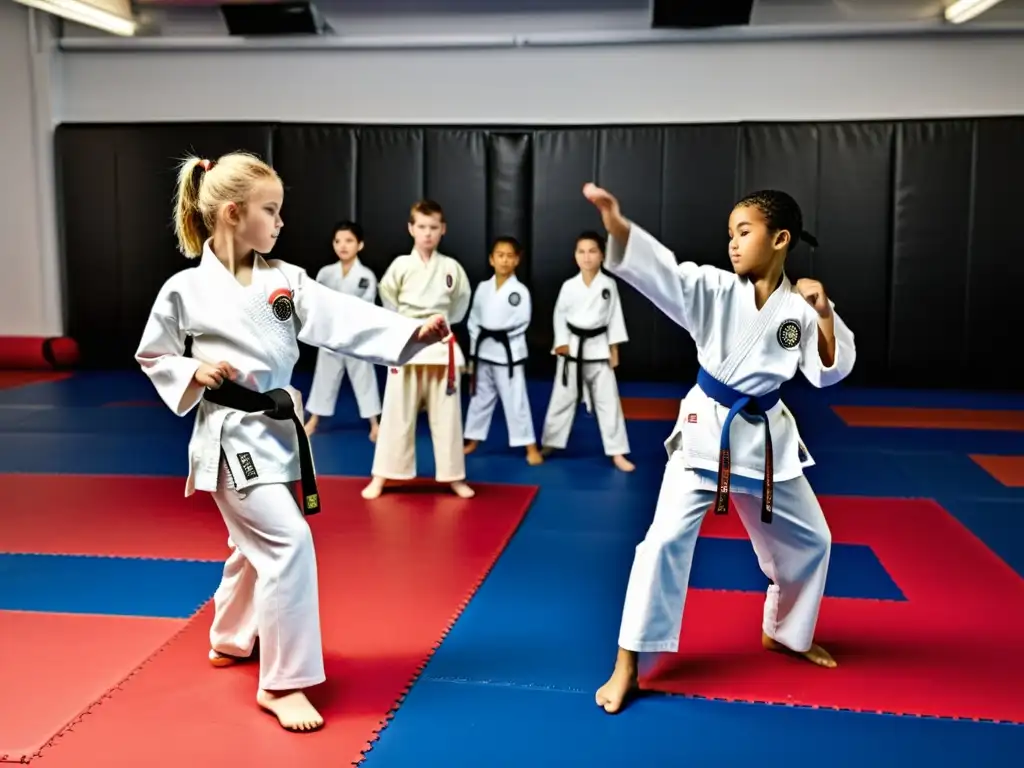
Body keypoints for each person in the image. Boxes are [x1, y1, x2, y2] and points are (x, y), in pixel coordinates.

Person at [134, 152, 451, 733]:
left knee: (250, 547)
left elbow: (343, 318)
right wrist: (190, 373)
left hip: (278, 434)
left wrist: (410, 333)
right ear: (232, 213)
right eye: (270, 211)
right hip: (231, 438)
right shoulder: (184, 289)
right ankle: (283, 682)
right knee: (288, 542)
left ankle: (230, 638)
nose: (280, 223)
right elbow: (152, 353)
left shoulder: (286, 279)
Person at [584, 183, 856, 715]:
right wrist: (618, 229)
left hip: (768, 440)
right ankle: (627, 663)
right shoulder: (712, 287)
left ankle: (784, 632)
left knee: (812, 540)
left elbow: (827, 371)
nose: (731, 243)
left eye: (744, 232)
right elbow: (663, 274)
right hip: (707, 431)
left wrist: (823, 313)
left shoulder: (800, 305)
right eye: (729, 233)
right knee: (661, 544)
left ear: (780, 239)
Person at [361, 199, 474, 500]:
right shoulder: (401, 265)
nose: (427, 233)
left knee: (448, 418)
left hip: (441, 347)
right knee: (396, 414)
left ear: (443, 230)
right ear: (411, 229)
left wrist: (442, 326)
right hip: (407, 343)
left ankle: (454, 476)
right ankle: (382, 476)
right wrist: (405, 327)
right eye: (421, 227)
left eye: (433, 227)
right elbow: (387, 297)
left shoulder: (451, 267)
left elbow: (461, 303)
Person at [540, 231, 634, 472]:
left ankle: (617, 452)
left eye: (592, 251)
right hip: (571, 349)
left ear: (602, 255)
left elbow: (614, 318)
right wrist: (561, 343)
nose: (587, 256)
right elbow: (559, 316)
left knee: (608, 402)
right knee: (561, 399)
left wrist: (614, 350)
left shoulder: (608, 285)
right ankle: (550, 443)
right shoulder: (569, 286)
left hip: (599, 349)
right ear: (575, 256)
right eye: (581, 251)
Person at [463, 236, 542, 465]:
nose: (504, 260)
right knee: (479, 398)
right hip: (484, 351)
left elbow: (522, 322)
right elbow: (474, 318)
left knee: (516, 400)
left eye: (510, 256)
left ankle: (530, 446)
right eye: (500, 255)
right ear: (491, 259)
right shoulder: (483, 288)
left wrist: (498, 334)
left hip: (508, 354)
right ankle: (473, 439)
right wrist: (477, 344)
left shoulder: (519, 291)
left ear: (517, 260)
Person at [303, 221, 383, 441]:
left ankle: (375, 424)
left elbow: (366, 308)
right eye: (338, 241)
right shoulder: (325, 273)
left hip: (356, 337)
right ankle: (314, 420)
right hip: (331, 335)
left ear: (360, 245)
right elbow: (317, 303)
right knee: (324, 378)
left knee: (364, 378)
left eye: (349, 241)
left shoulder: (366, 276)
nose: (343, 246)